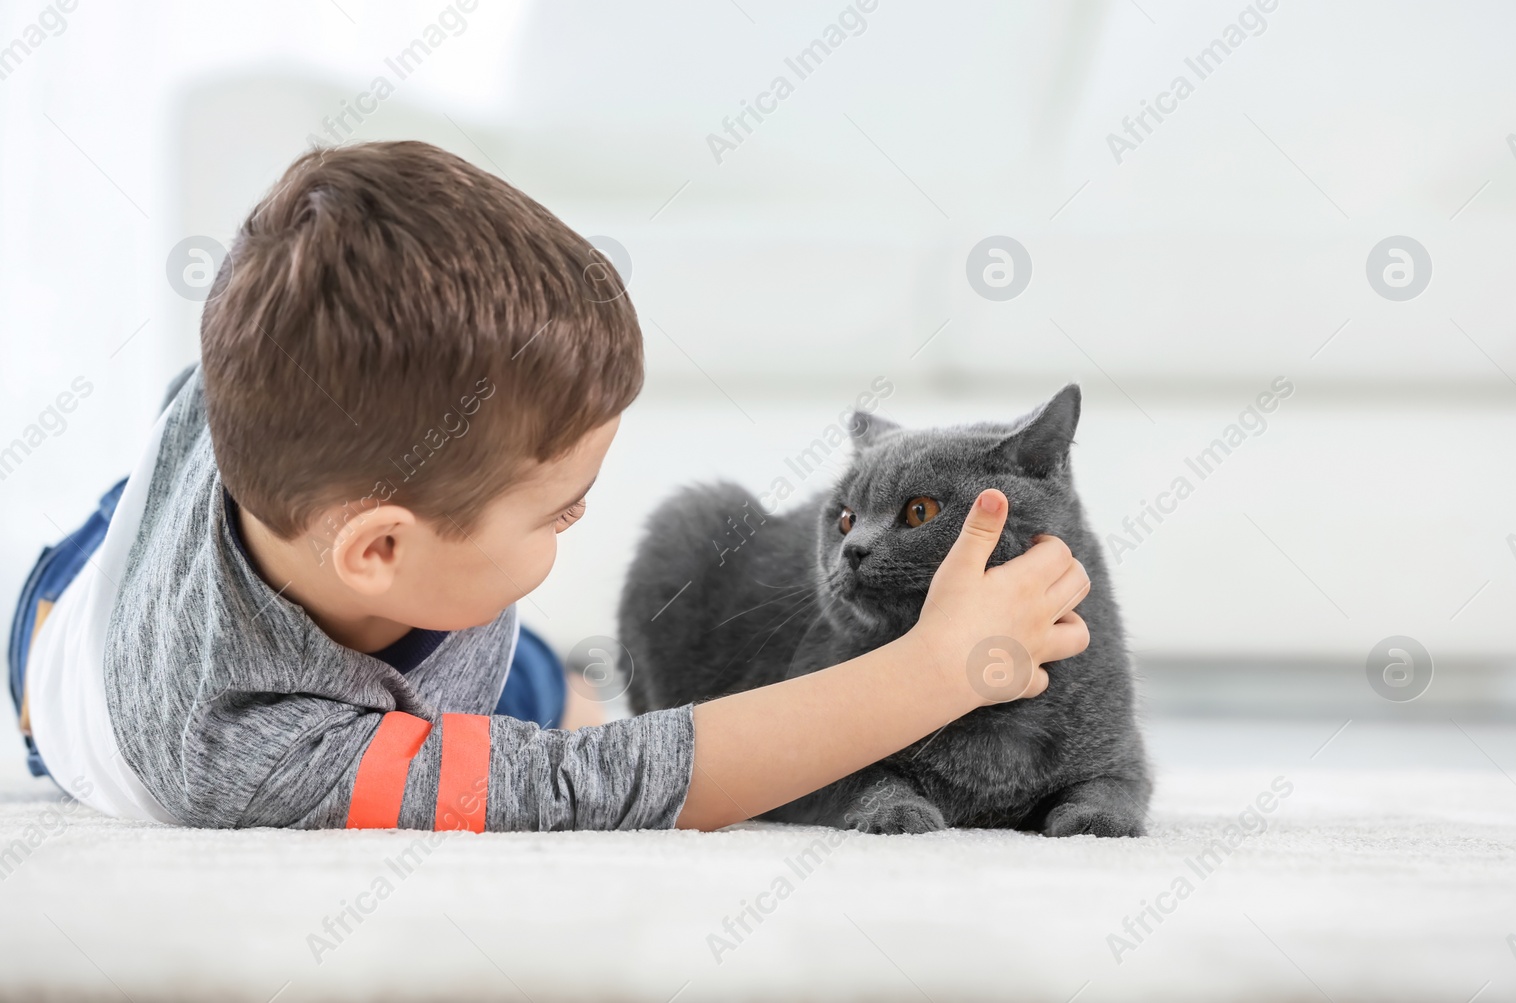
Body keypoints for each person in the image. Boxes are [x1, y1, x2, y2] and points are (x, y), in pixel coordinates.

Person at [7, 140, 1091, 833]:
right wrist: (937, 669)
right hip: (74, 626)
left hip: (207, 484)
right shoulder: (271, 757)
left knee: (512, 669)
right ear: (380, 549)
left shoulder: (294, 405)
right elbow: (620, 781)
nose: (584, 519)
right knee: (548, 728)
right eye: (558, 509)